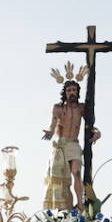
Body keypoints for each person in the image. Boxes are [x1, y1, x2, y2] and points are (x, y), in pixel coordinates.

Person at [41, 76, 100, 211]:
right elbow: (53, 124)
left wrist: (97, 132)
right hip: (61, 146)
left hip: (74, 144)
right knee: (63, 180)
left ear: (77, 92)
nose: (71, 93)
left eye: (74, 90)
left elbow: (90, 125)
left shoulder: (81, 108)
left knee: (77, 172)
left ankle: (80, 203)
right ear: (65, 93)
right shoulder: (59, 108)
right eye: (69, 90)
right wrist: (50, 132)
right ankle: (65, 207)